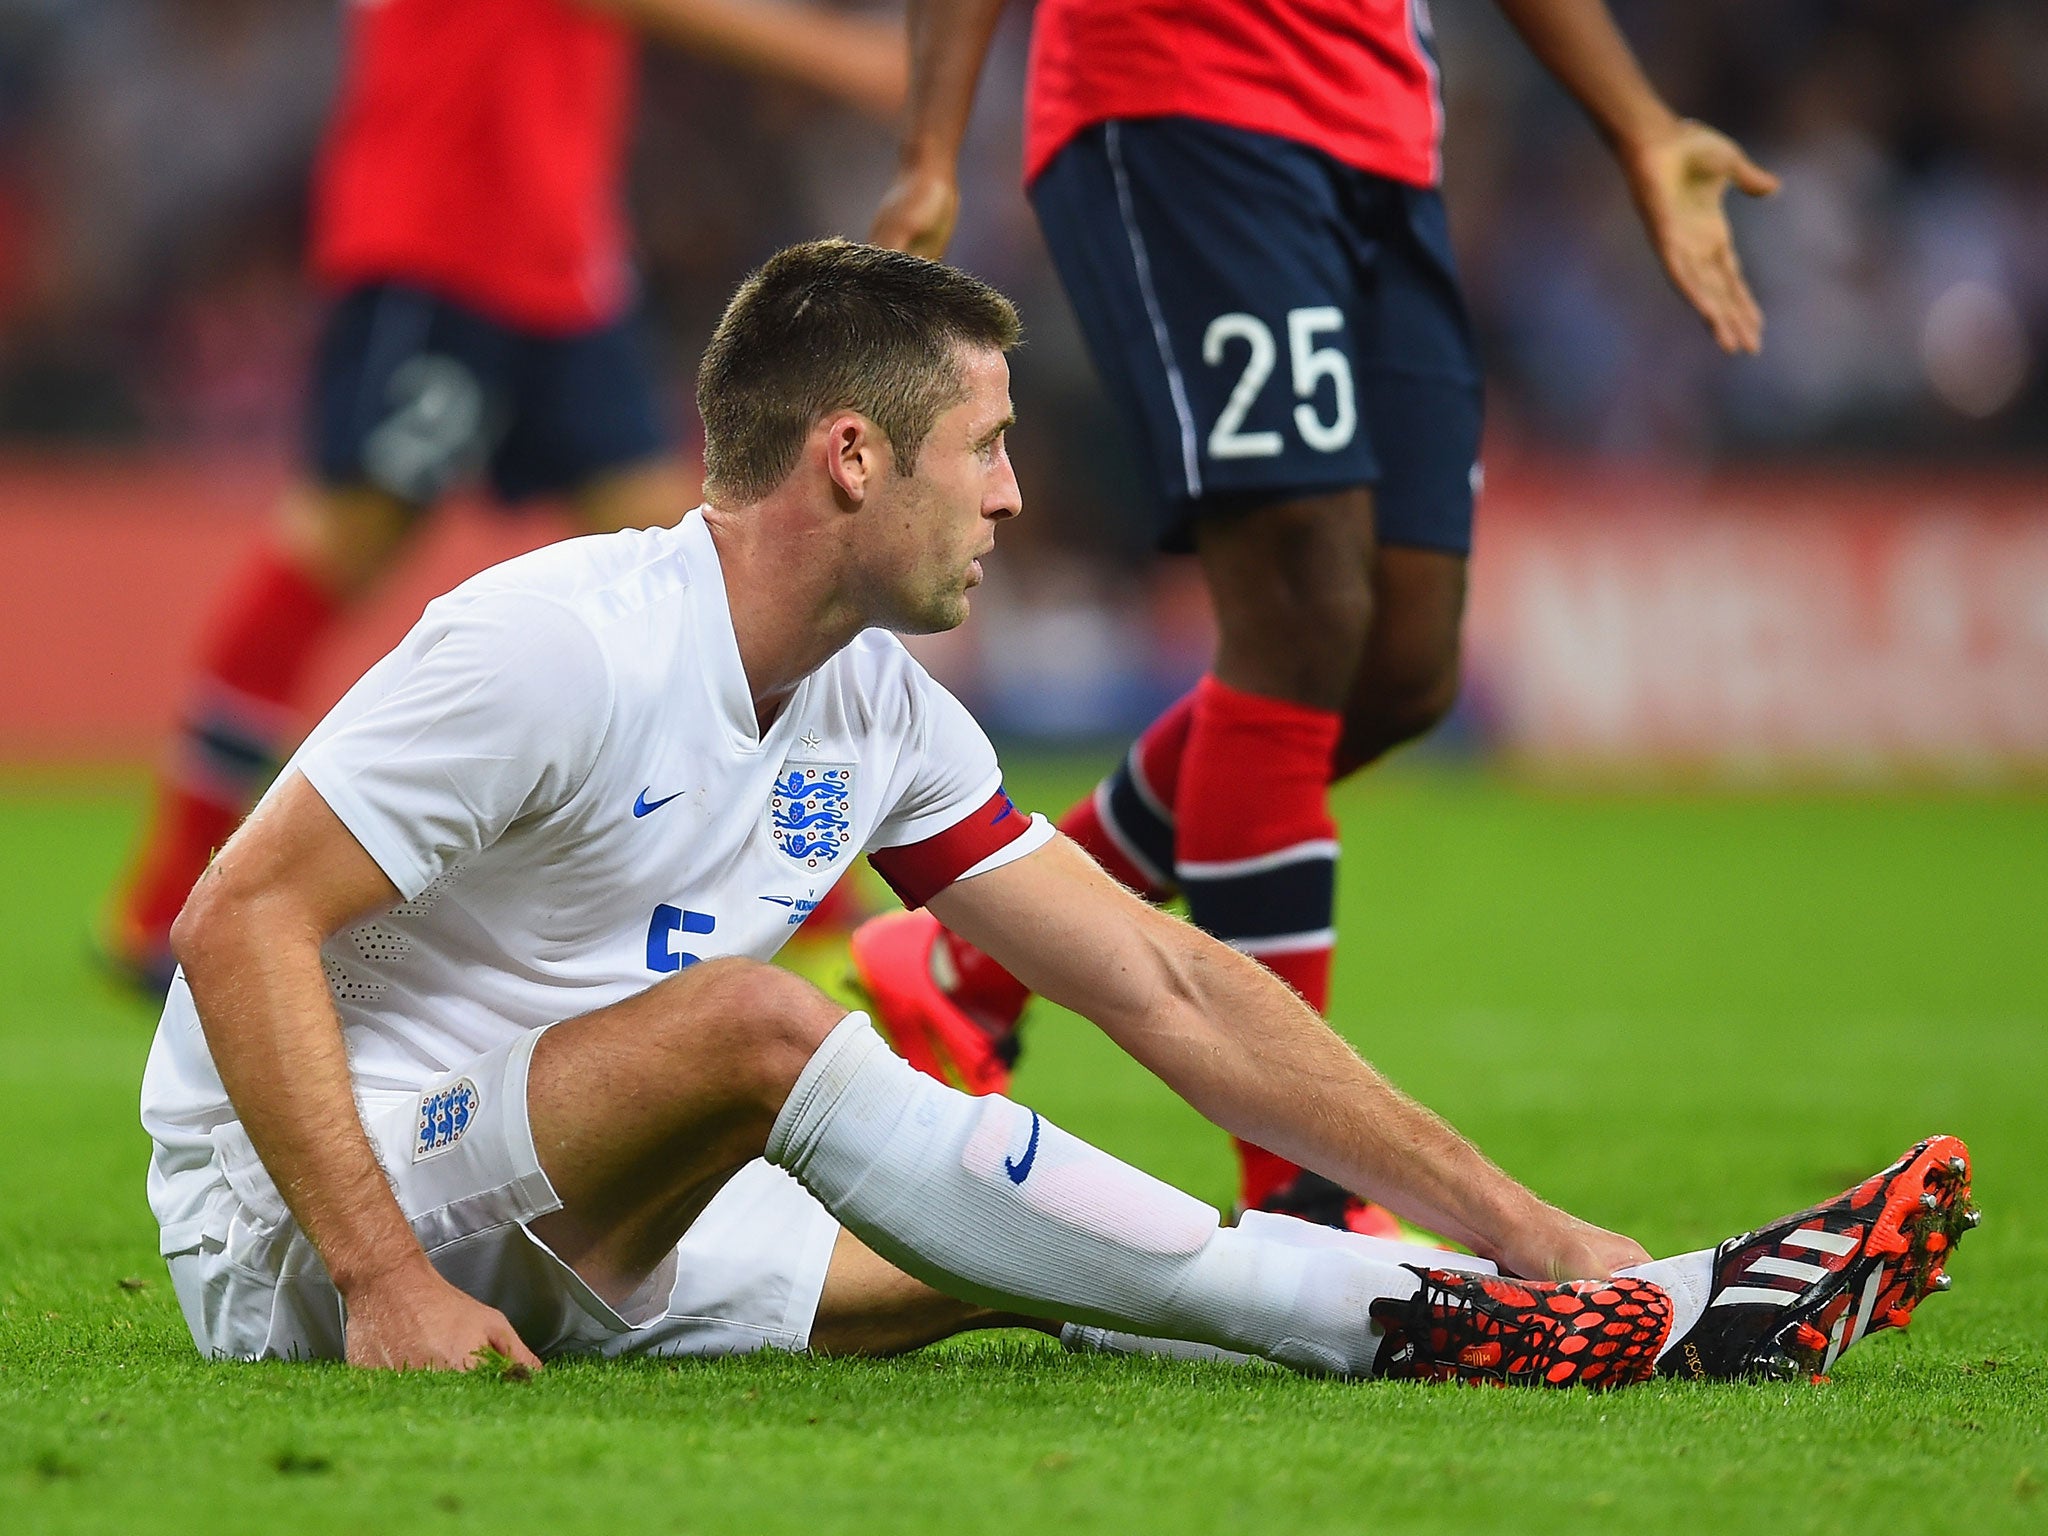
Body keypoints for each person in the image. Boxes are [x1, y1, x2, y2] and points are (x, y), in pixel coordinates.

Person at [142, 241, 1971, 1384]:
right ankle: (1432, 1328)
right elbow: (234, 918)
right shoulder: (554, 642)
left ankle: (1545, 1287)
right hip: (310, 1214)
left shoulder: (874, 708)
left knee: (991, 1263)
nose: (1017, 496)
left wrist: (1519, 1210)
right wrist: (375, 1279)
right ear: (849, 456)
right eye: (986, 444)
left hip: (581, 1199)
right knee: (767, 1026)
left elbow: (1160, 987)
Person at [858, 0, 1784, 1232]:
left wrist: (1637, 125)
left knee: (1400, 664)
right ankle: (1301, 1190)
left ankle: (968, 961)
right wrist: (930, 147)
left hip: (1380, 146)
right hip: (1182, 105)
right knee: (1297, 616)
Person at [105, 0, 908, 990]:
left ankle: (804, 897)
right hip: (440, 242)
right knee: (339, 545)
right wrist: (836, 54)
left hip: (563, 261)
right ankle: (165, 896)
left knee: (697, 563)